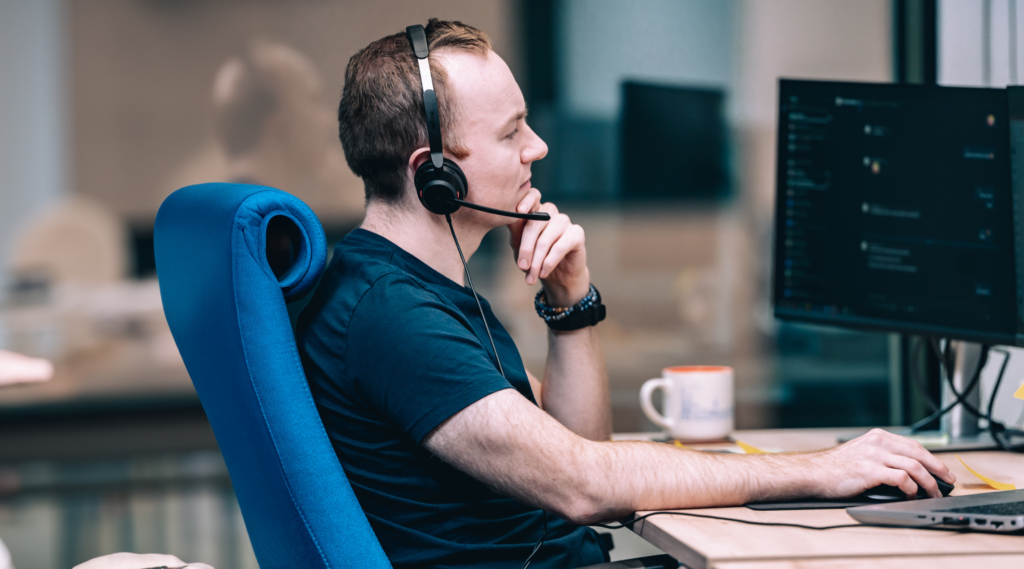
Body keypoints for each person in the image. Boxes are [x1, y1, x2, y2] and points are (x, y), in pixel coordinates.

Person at [295, 19, 955, 569]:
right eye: (510, 132)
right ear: (434, 174)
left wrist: (571, 304)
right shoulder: (390, 313)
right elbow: (584, 485)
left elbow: (581, 446)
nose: (538, 146)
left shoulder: (418, 288)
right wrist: (817, 469)